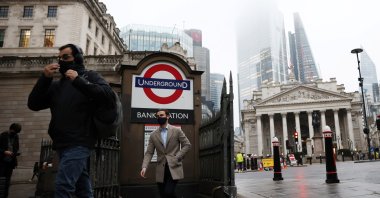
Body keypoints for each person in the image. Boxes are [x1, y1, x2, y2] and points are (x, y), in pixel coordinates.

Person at [28, 44, 114, 198]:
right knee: (82, 188)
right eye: (59, 58)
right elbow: (33, 104)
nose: (61, 61)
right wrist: (44, 79)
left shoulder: (90, 76)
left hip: (80, 141)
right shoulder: (56, 86)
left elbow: (107, 95)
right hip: (61, 143)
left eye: (66, 57)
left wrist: (78, 80)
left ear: (78, 58)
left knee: (63, 185)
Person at [140, 109, 191, 198]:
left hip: (174, 166)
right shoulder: (153, 135)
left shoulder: (176, 130)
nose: (159, 117)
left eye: (162, 115)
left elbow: (187, 145)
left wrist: (177, 157)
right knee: (163, 194)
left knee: (168, 192)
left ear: (168, 116)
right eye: (158, 116)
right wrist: (144, 167)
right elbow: (149, 152)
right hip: (161, 168)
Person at [0, 123, 21, 198]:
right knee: (1, 180)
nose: (15, 134)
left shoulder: (16, 136)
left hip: (10, 162)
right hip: (2, 162)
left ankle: (5, 196)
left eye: (16, 133)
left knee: (7, 182)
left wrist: (15, 153)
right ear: (11, 129)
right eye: (14, 132)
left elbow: (16, 147)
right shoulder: (3, 135)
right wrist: (4, 152)